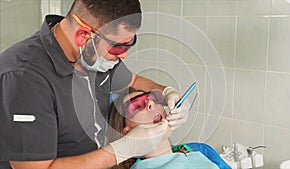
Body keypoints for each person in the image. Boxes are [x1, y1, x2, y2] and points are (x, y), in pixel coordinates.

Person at [0, 0, 189, 168]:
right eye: (119, 47)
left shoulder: (92, 56)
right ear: (83, 36)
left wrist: (167, 92)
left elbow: (134, 81)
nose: (124, 55)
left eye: (129, 44)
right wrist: (122, 150)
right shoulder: (24, 77)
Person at [107, 87, 230, 169]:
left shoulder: (199, 150)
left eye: (153, 99)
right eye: (137, 106)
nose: (151, 104)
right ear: (127, 133)